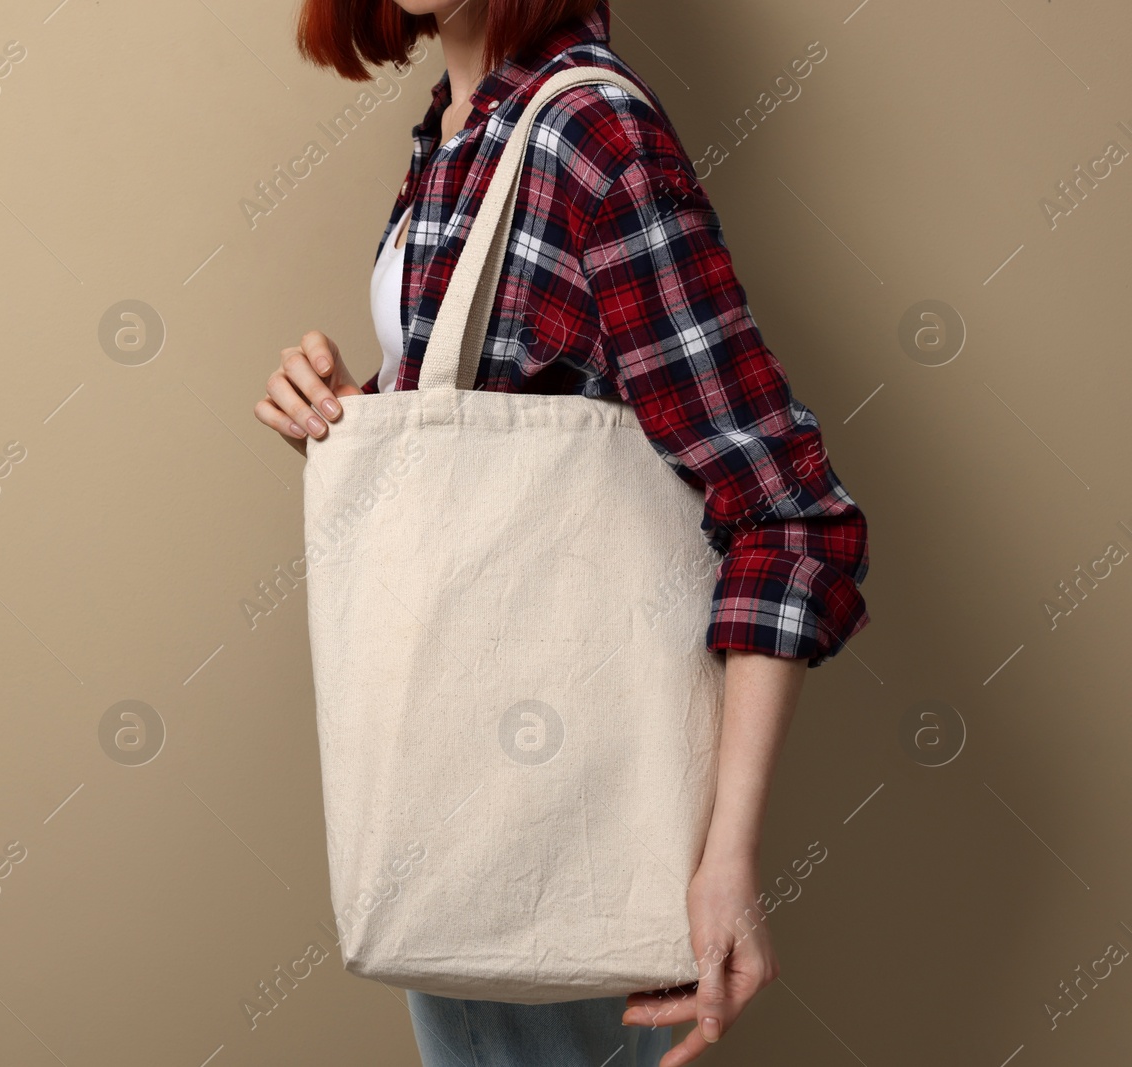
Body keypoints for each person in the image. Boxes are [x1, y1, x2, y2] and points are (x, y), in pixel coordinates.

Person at [253, 1, 870, 1064]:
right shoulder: (455, 133)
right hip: (458, 824)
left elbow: (785, 513)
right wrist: (345, 417)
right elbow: (497, 470)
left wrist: (726, 859)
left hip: (561, 827)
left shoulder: (590, 135)